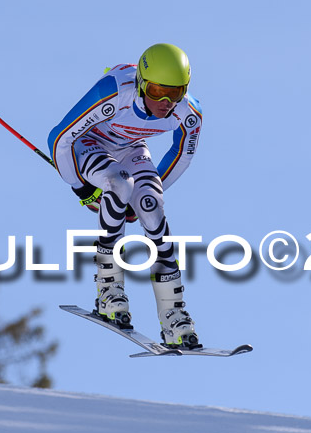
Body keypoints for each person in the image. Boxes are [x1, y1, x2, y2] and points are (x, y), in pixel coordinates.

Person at [47, 43, 203, 349]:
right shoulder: (114, 93)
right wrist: (81, 188)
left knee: (152, 205)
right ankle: (109, 290)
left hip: (131, 148)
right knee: (119, 183)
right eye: (158, 90)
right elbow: (59, 138)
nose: (166, 102)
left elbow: (181, 155)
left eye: (176, 92)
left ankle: (173, 313)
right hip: (89, 143)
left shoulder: (188, 113)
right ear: (142, 83)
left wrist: (142, 201)